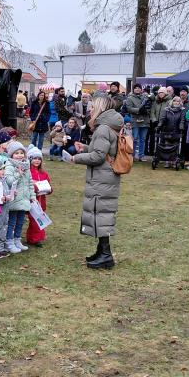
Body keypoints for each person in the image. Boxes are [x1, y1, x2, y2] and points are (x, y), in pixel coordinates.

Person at [66, 96, 122, 270]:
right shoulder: (109, 126)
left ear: (100, 108)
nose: (90, 109)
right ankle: (102, 251)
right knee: (101, 213)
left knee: (100, 213)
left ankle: (106, 255)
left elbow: (98, 157)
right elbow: (104, 151)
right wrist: (85, 148)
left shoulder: (103, 128)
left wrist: (75, 158)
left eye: (93, 107)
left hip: (102, 177)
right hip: (106, 176)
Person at [3, 142, 34, 253]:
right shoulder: (9, 165)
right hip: (14, 198)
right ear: (11, 155)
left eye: (21, 153)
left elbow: (30, 182)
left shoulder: (26, 165)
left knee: (20, 221)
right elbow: (8, 181)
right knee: (12, 222)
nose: (20, 155)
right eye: (16, 153)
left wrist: (32, 196)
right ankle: (9, 241)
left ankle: (17, 239)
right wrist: (18, 174)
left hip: (24, 198)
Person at [26, 147, 51, 247]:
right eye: (34, 158)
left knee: (40, 218)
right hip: (32, 200)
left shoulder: (44, 173)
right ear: (30, 159)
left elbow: (49, 185)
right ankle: (35, 239)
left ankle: (33, 237)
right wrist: (36, 187)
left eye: (39, 159)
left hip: (42, 201)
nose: (37, 161)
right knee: (34, 220)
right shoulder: (28, 172)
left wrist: (49, 189)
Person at [123, 84, 152, 161]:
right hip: (135, 121)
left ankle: (141, 156)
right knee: (135, 138)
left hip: (145, 120)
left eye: (139, 88)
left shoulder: (145, 97)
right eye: (135, 88)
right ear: (133, 89)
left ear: (141, 89)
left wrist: (146, 110)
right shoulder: (130, 98)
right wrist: (139, 110)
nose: (137, 89)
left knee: (143, 139)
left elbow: (150, 107)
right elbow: (129, 109)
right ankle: (132, 155)